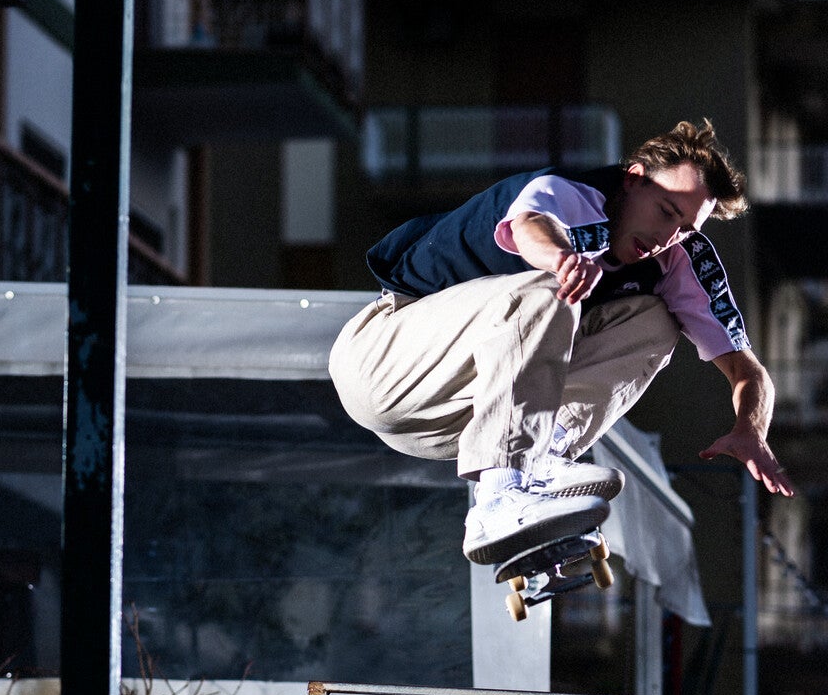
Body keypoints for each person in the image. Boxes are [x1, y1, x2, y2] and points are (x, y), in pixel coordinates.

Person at [329, 118, 796, 566]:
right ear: (634, 180)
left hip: (450, 422)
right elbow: (533, 226)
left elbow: (747, 369)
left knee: (656, 322)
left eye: (685, 228)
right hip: (387, 362)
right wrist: (562, 260)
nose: (664, 237)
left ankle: (542, 461)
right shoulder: (570, 193)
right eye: (666, 213)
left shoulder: (677, 258)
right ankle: (501, 495)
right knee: (552, 289)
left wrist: (751, 429)